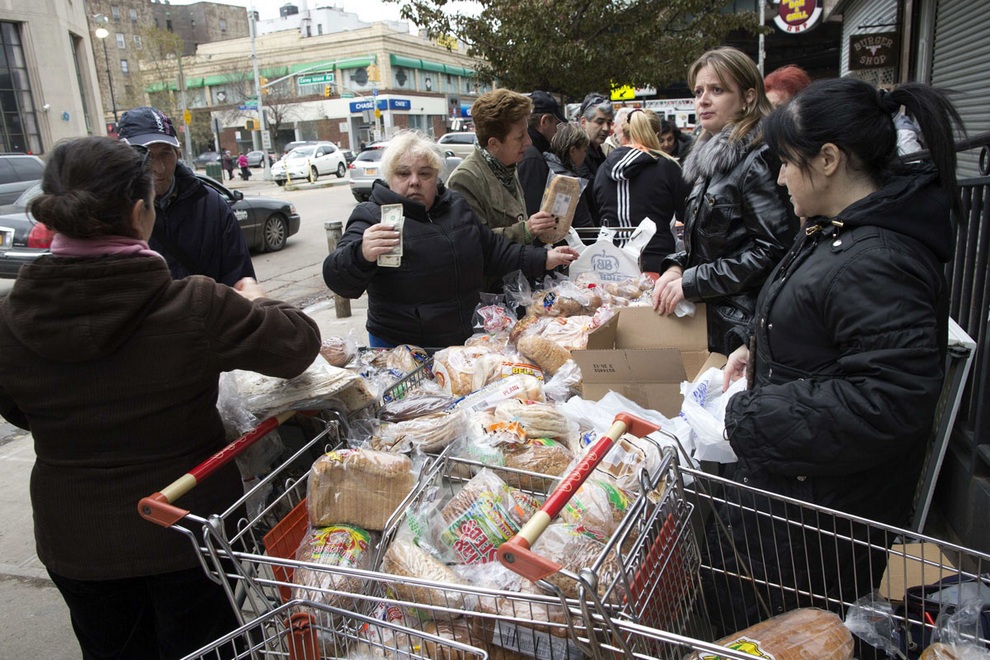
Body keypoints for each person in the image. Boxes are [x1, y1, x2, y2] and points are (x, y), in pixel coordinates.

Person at [0, 136, 321, 659]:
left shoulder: (9, 317)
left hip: (72, 536)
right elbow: (297, 344)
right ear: (138, 210)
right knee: (208, 646)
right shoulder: (194, 304)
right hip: (186, 531)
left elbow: (19, 409)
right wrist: (260, 299)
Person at [709, 78, 964, 637]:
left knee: (787, 637)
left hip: (816, 526)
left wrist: (746, 417)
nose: (778, 177)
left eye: (785, 162)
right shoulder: (836, 232)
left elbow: (887, 401)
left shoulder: (878, 257)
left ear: (828, 159)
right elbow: (828, 331)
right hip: (794, 498)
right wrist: (759, 349)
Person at [324, 131, 578, 348]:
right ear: (390, 178)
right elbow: (339, 280)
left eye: (424, 174)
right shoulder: (371, 216)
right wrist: (361, 254)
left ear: (437, 177)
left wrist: (545, 258)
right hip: (403, 349)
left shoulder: (456, 206)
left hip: (464, 341)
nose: (414, 182)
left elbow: (493, 251)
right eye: (403, 173)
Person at [652, 46, 798, 355]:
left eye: (717, 90)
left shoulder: (759, 158)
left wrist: (691, 282)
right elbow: (711, 246)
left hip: (744, 329)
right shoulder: (711, 158)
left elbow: (773, 252)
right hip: (712, 322)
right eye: (698, 90)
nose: (702, 99)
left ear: (747, 96)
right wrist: (677, 267)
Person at [117, 106, 256, 286]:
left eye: (165, 153)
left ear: (177, 152)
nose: (159, 168)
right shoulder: (113, 214)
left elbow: (240, 281)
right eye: (147, 156)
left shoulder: (211, 204)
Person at [447, 89, 560, 249]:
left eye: (527, 133)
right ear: (494, 144)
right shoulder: (464, 179)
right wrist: (526, 230)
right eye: (520, 137)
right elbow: (475, 243)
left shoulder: (507, 165)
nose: (528, 141)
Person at [594, 108, 689, 273]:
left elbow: (598, 212)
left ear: (625, 136)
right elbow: (686, 213)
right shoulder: (668, 167)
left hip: (609, 265)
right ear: (656, 135)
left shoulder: (602, 169)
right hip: (658, 263)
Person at [517, 90, 568, 217]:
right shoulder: (532, 156)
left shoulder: (530, 152)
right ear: (544, 121)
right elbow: (535, 213)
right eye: (556, 124)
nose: (557, 130)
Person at [543, 121, 597, 233]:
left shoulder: (544, 167)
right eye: (584, 150)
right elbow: (584, 226)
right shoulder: (569, 182)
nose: (585, 155)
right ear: (572, 151)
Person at [574, 93, 615, 181]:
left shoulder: (598, 151)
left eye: (609, 123)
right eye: (600, 122)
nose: (606, 128)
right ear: (583, 122)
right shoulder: (577, 153)